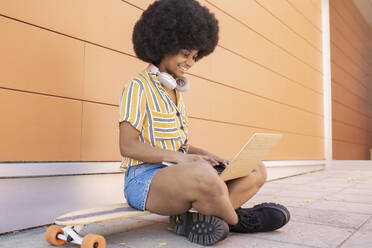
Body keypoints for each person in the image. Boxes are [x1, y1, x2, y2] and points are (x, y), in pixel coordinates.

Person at [118, 0, 290, 245]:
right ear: (163, 44)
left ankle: (197, 221)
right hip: (144, 180)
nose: (190, 63)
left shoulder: (175, 92)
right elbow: (128, 147)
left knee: (255, 168)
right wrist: (184, 159)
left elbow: (179, 148)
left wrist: (210, 156)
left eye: (195, 57)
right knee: (203, 174)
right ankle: (238, 220)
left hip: (179, 173)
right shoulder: (138, 87)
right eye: (185, 54)